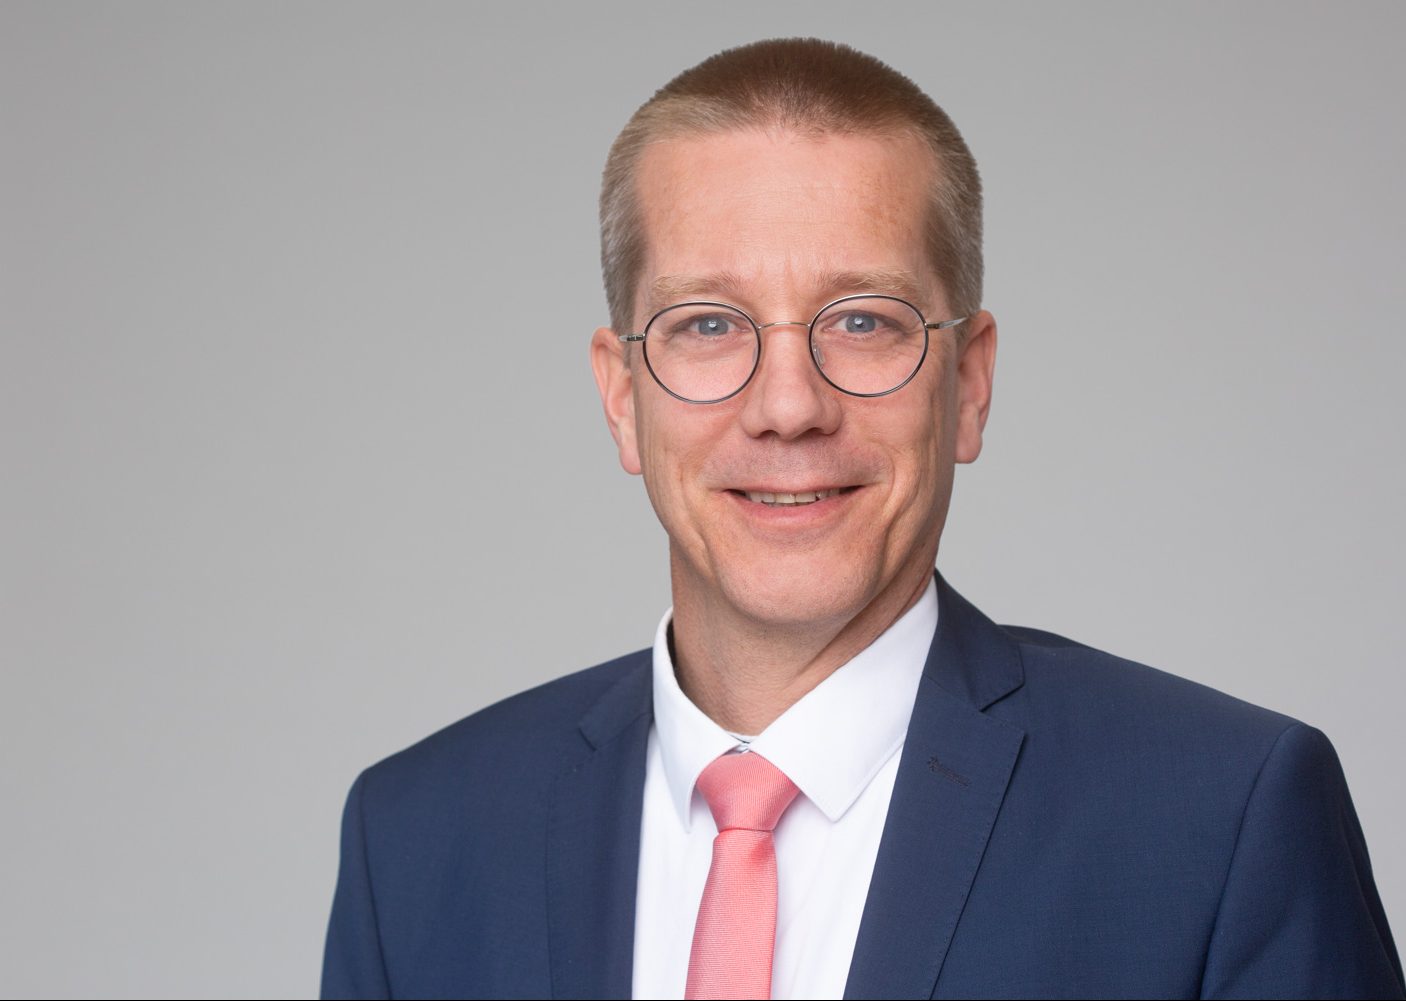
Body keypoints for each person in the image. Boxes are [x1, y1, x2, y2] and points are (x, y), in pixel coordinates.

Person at [320, 38, 1403, 1000]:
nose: (788, 405)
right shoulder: (416, 840)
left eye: (863, 321)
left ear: (967, 383)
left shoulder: (1217, 821)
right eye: (708, 324)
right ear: (621, 396)